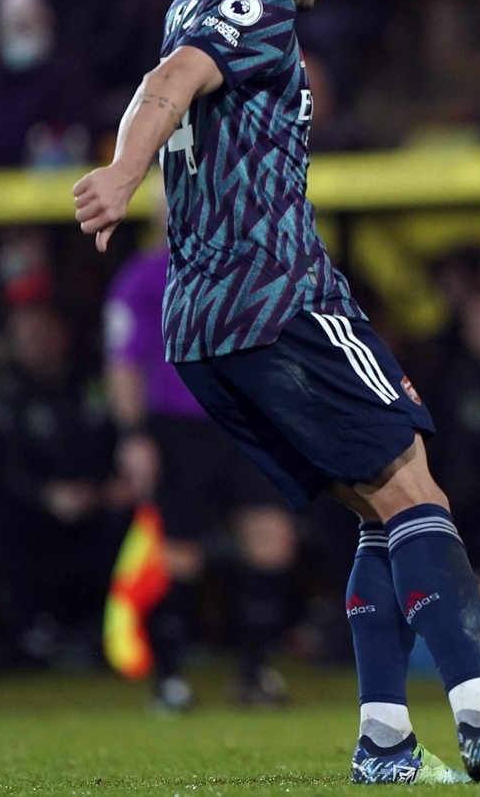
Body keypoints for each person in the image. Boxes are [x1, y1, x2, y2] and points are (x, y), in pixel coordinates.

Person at [72, 0, 480, 784]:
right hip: (280, 300)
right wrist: (121, 169)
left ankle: (386, 743)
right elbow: (167, 84)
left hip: (205, 328)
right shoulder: (254, 3)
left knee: (375, 514)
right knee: (417, 493)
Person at [103, 208, 300, 712]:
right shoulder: (145, 277)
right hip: (180, 428)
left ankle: (253, 675)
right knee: (180, 555)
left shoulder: (253, 270)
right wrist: (133, 435)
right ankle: (170, 680)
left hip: (248, 422)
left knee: (272, 542)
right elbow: (124, 360)